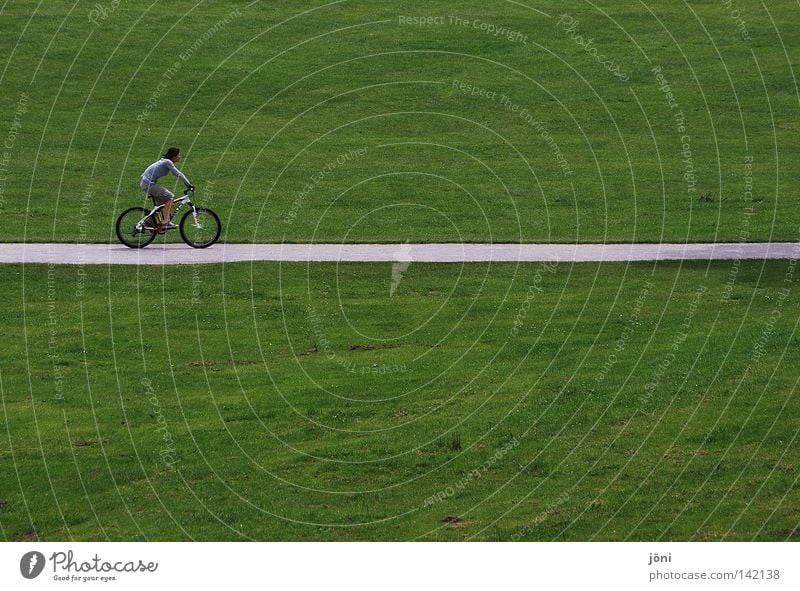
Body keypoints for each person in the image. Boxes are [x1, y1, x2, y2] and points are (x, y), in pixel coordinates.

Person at [140, 146, 195, 230]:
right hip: (148, 184)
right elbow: (178, 174)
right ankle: (166, 222)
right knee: (170, 197)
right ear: (174, 156)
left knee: (162, 205)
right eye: (178, 155)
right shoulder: (168, 162)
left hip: (146, 183)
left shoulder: (165, 161)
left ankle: (149, 221)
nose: (180, 157)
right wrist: (189, 184)